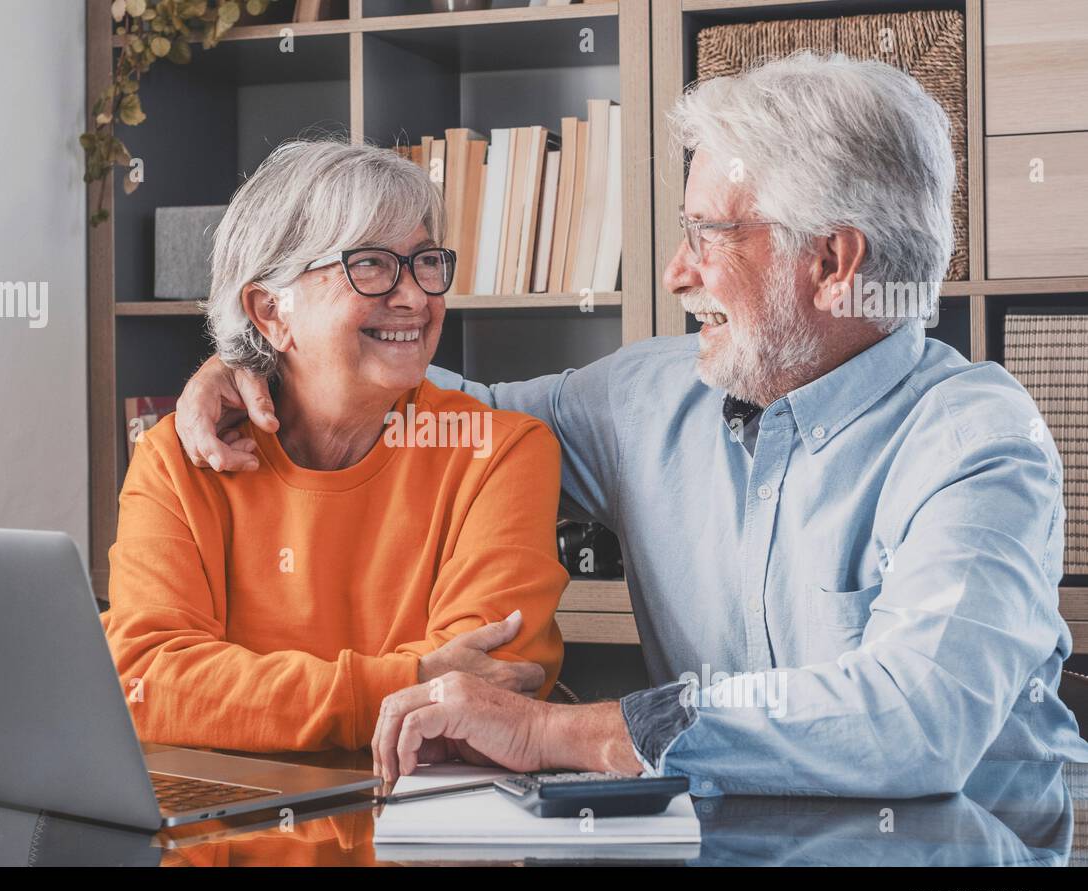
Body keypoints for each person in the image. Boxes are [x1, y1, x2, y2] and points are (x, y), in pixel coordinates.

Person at [175, 53, 1088, 796]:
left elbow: (909, 724)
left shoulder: (978, 441)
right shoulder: (646, 397)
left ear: (834, 260)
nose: (675, 273)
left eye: (708, 235)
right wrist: (263, 355)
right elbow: (446, 412)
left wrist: (553, 732)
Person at [102, 138, 566, 754]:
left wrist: (236, 701)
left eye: (426, 261)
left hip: (423, 829)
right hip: (226, 834)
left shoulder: (501, 452)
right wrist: (406, 682)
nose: (415, 296)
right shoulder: (178, 461)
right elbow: (143, 683)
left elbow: (481, 702)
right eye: (370, 264)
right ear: (272, 311)